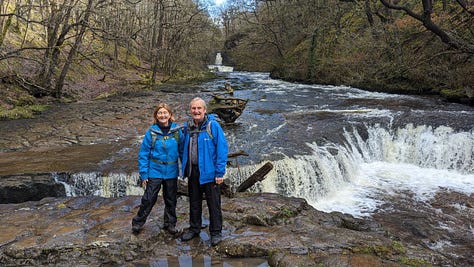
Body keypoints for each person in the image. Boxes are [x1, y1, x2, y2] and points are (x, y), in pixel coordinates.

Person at [180, 97, 228, 246]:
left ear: (205, 110)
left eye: (199, 108)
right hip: (193, 171)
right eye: (193, 109)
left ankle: (216, 232)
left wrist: (220, 173)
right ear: (190, 111)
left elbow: (222, 149)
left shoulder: (213, 126)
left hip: (210, 172)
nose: (196, 111)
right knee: (194, 202)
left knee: (214, 204)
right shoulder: (187, 127)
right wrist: (185, 166)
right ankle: (194, 228)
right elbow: (182, 148)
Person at [132, 103, 183, 235]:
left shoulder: (177, 131)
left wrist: (186, 170)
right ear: (156, 116)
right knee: (149, 198)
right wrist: (144, 174)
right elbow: (143, 154)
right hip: (155, 170)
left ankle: (170, 224)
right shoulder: (151, 132)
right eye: (160, 113)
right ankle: (138, 222)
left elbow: (182, 152)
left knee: (171, 199)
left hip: (171, 171)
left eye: (165, 113)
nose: (162, 115)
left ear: (170, 115)